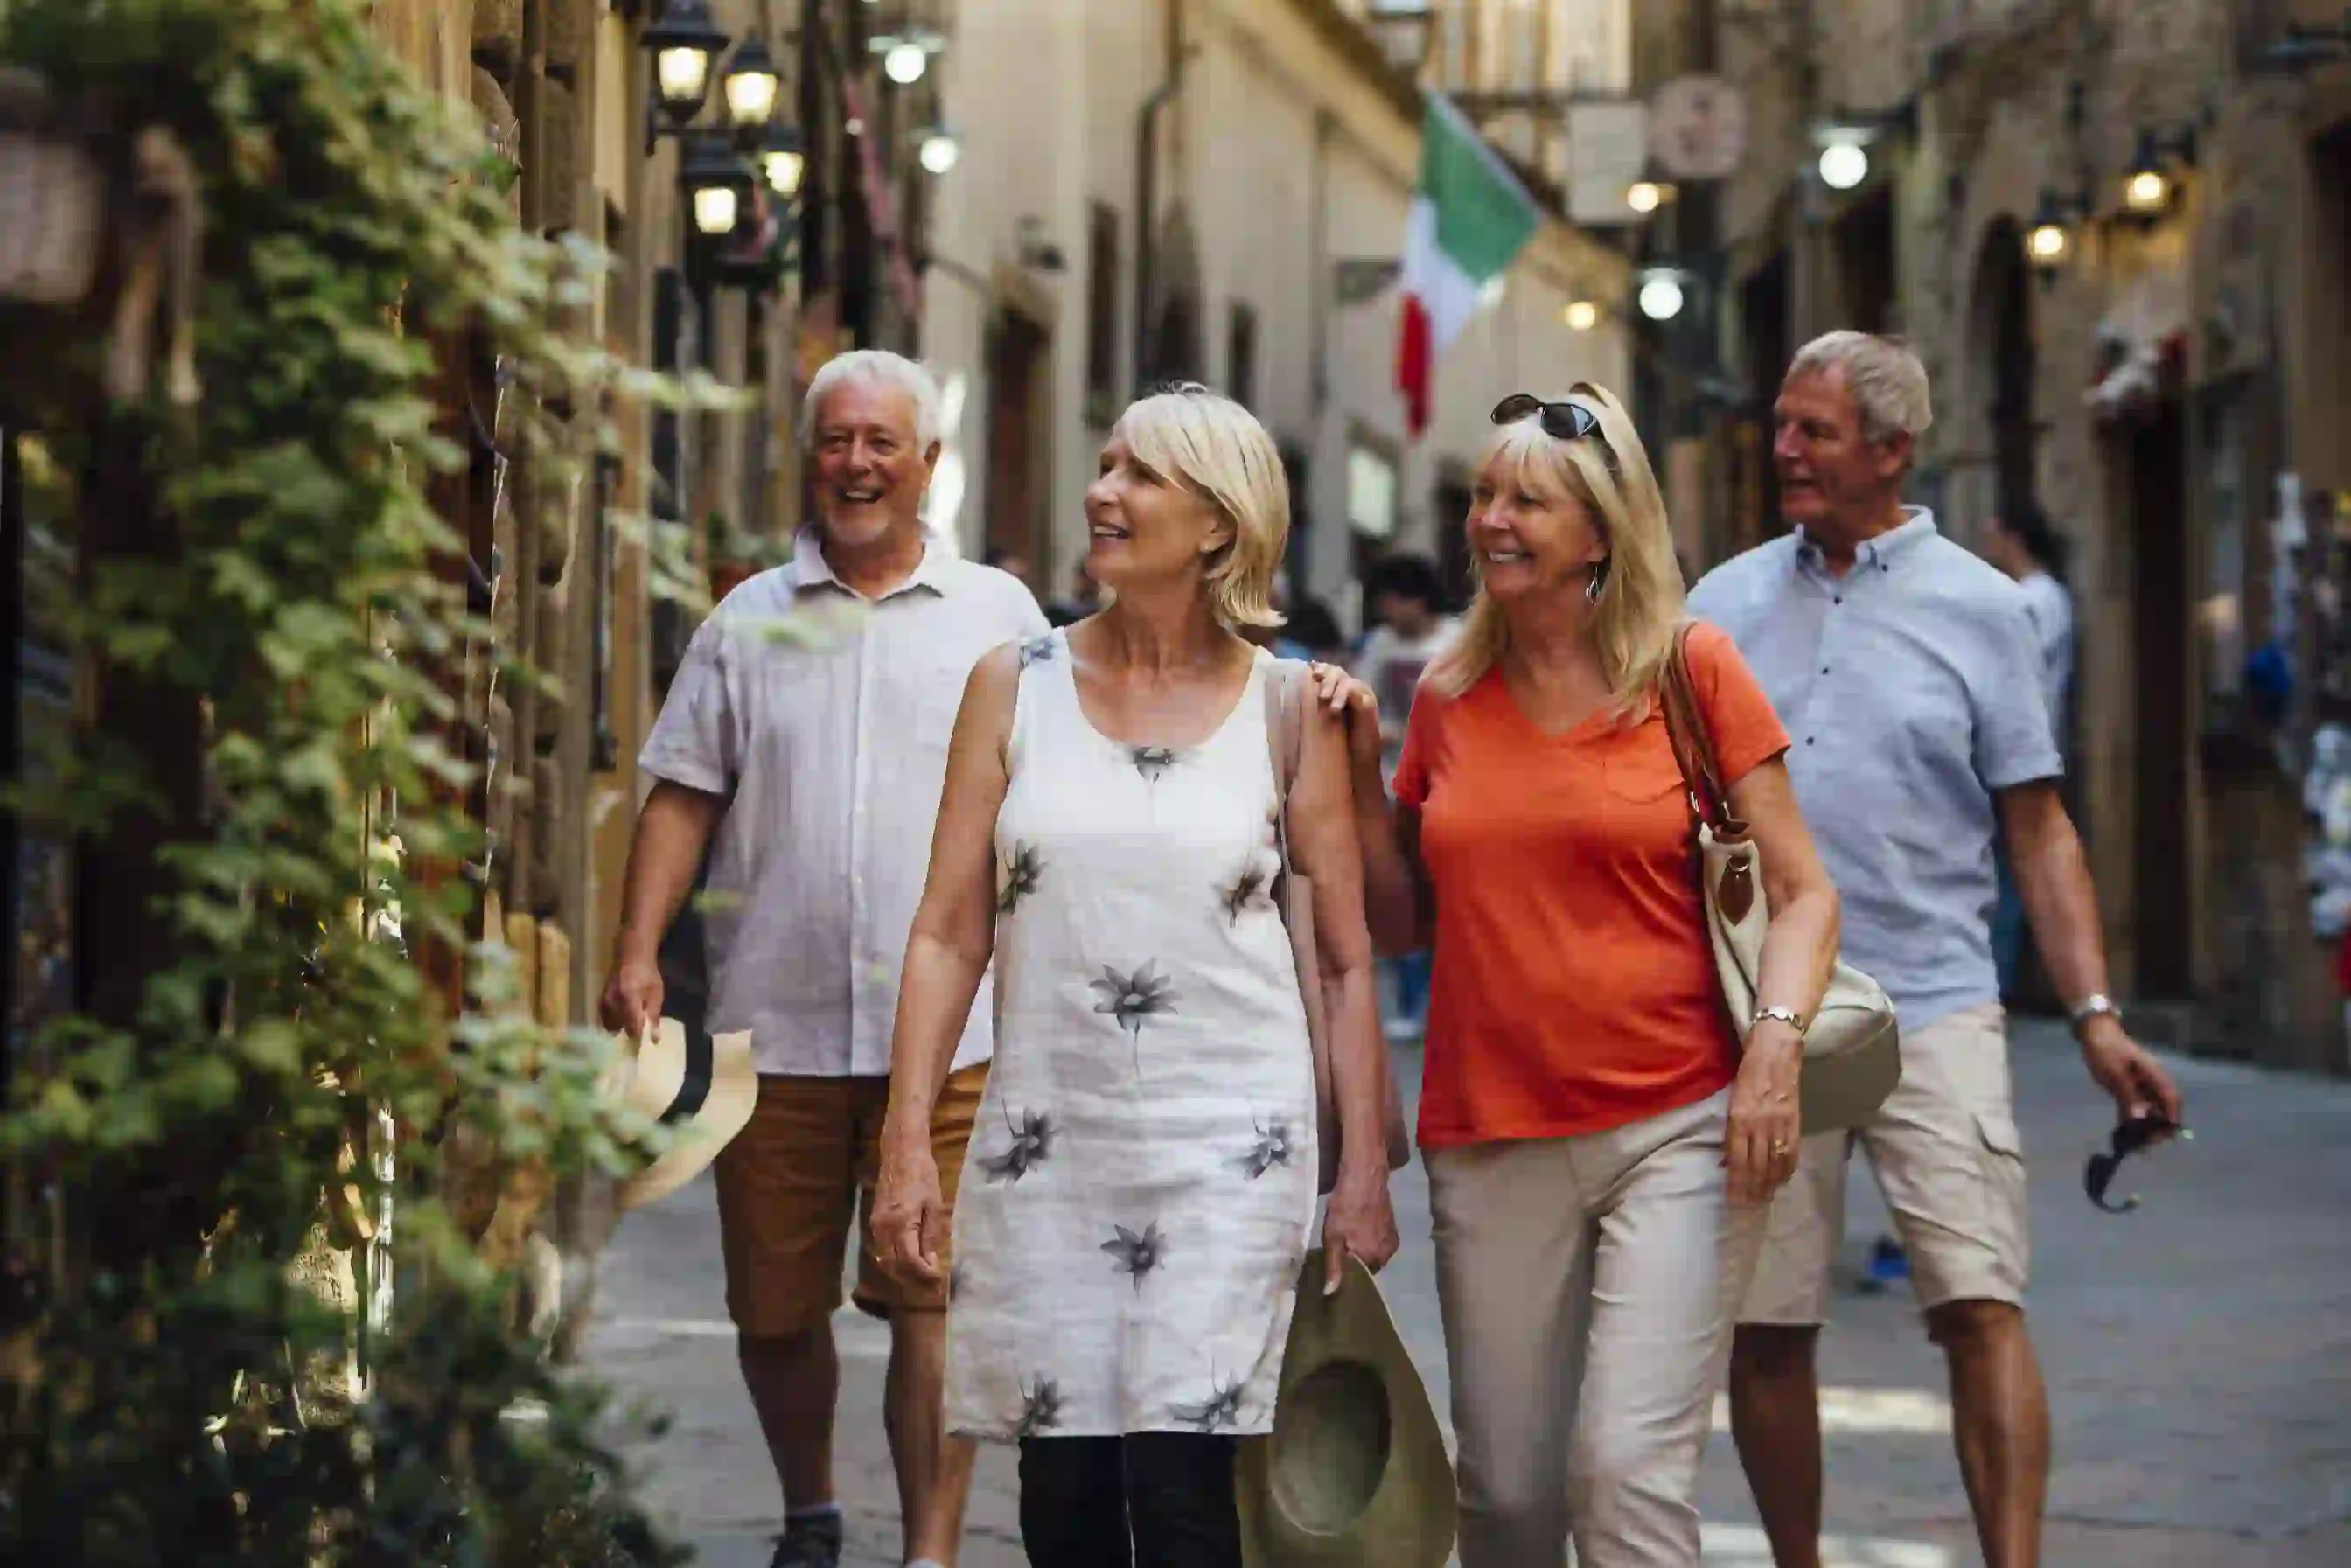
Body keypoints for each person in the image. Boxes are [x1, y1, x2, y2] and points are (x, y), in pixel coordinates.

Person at [870, 383, 1400, 1568]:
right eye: (1105, 464)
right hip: (1048, 1146)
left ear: (1219, 523)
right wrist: (908, 1141)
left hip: (1230, 1149)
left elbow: (1349, 959)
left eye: (1139, 474)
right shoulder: (1015, 684)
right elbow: (950, 929)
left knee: (1179, 1491)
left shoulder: (1288, 709)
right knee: (1061, 1496)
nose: (1103, 492)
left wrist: (1360, 1169)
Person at [1319, 385, 1843, 1566]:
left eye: (1527, 501)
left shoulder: (1691, 670)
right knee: (1505, 1497)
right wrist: (1362, 774)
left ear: (1601, 532)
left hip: (1682, 1123)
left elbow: (1807, 892)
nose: (1493, 521)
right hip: (1491, 1132)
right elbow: (1403, 926)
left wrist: (1773, 1050)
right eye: (1484, 497)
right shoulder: (1448, 697)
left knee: (1621, 1475)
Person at [1687, 331, 2185, 1568]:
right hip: (1767, 1015)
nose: (1784, 448)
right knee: (1767, 1325)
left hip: (1937, 1000)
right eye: (1783, 424)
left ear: (1893, 450)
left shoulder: (1984, 606)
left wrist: (2097, 1014)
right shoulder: (1720, 602)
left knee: (1978, 1302)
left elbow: (2039, 825)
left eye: (1814, 431)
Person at [599, 350, 1048, 1568]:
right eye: (837, 440)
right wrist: (639, 948)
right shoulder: (748, 619)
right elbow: (682, 796)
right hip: (780, 1020)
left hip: (956, 1034)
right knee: (775, 1307)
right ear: (813, 457)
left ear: (927, 466)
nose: (856, 463)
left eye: (881, 443)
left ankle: (933, 1551)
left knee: (931, 1296)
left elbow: (1058, 797)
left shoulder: (1000, 618)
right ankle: (808, 1508)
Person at [1351, 553, 1459, 1040]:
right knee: (1401, 896)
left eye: (1393, 601)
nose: (1389, 613)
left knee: (1446, 898)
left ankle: (1447, 1000)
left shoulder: (1457, 641)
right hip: (1395, 786)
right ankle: (1413, 1002)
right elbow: (1361, 701)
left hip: (1451, 786)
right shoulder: (1380, 645)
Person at [1981, 502, 2075, 1000]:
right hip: (2012, 752)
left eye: (1994, 534)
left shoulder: (2039, 600)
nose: (1988, 545)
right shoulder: (2027, 598)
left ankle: (2001, 982)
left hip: (2021, 754)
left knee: (2011, 872)